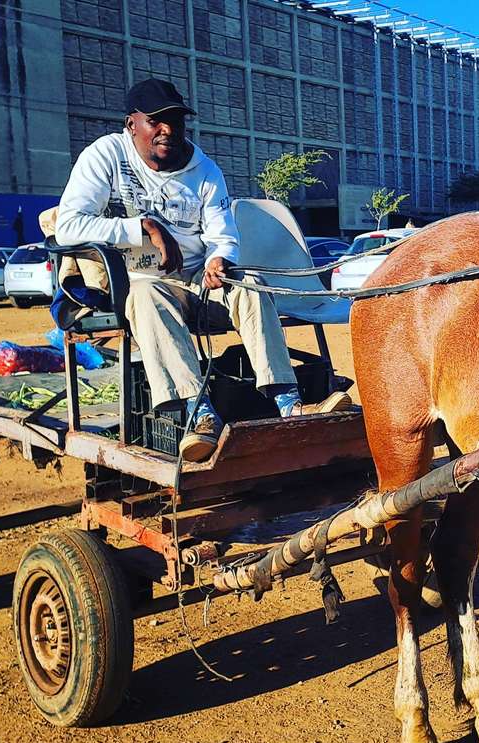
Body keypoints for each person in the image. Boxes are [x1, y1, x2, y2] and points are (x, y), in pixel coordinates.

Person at [55, 78, 299, 462]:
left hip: (198, 282)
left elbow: (223, 234)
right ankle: (199, 415)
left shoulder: (205, 170)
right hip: (143, 282)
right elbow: (68, 225)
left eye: (176, 121)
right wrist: (144, 227)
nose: (168, 130)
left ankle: (288, 402)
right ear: (131, 124)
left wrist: (220, 258)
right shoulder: (107, 156)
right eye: (156, 121)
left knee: (250, 282)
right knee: (148, 293)